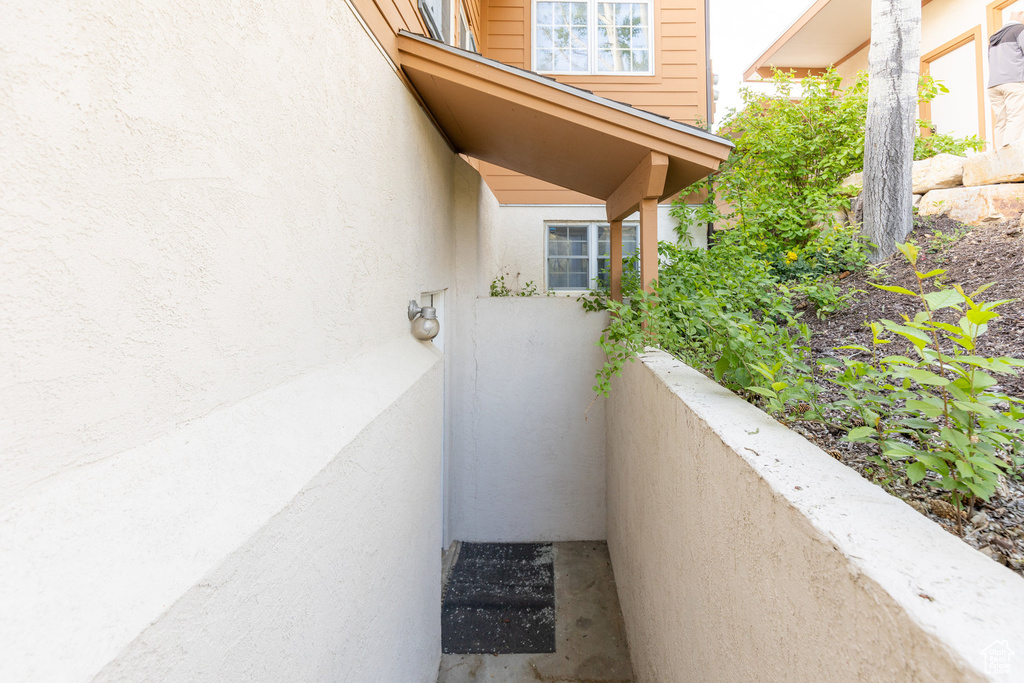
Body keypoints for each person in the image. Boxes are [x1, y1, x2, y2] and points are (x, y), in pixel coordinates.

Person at [989, 11, 1024, 148]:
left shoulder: (994, 37)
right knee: (1016, 118)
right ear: (1021, 14)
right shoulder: (1019, 29)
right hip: (1013, 82)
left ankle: (999, 159)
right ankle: (1010, 159)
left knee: (1001, 122)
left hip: (993, 85)